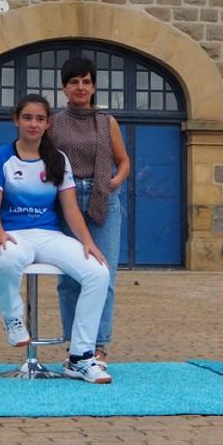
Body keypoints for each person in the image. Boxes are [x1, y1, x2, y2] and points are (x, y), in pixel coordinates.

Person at [0, 94, 113, 384]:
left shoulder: (58, 159)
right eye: (27, 117)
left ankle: (80, 358)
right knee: (4, 259)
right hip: (13, 235)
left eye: (40, 119)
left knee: (99, 273)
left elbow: (70, 209)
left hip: (49, 236)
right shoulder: (0, 157)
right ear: (16, 120)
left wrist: (88, 242)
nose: (33, 124)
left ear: (48, 124)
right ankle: (13, 318)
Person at [49, 56, 131, 362]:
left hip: (103, 200)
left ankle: (97, 345)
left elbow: (123, 161)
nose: (80, 87)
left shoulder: (107, 122)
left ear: (94, 86)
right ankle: (75, 343)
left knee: (103, 274)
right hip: (66, 200)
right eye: (74, 82)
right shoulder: (54, 123)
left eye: (86, 81)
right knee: (69, 278)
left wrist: (113, 183)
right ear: (64, 88)